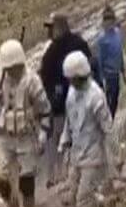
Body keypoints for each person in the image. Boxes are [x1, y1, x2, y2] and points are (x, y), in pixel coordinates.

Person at [0, 40, 51, 207]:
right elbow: (1, 107)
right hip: (5, 137)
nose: (10, 71)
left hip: (26, 137)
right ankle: (11, 202)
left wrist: (43, 133)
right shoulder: (2, 81)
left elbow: (45, 110)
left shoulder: (32, 81)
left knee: (27, 181)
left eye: (13, 67)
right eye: (7, 68)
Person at [39, 14, 94, 187]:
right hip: (76, 100)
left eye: (51, 28)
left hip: (58, 105)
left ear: (59, 27)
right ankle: (65, 174)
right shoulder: (79, 43)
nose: (48, 32)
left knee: (57, 139)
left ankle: (57, 176)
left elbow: (44, 75)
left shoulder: (54, 50)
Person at [58, 51, 112, 207]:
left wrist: (114, 160)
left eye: (72, 79)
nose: (70, 82)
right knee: (71, 196)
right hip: (77, 154)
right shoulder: (72, 93)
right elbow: (70, 120)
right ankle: (103, 203)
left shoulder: (96, 97)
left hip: (93, 156)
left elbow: (108, 129)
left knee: (83, 200)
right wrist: (64, 142)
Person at [95, 6, 126, 118]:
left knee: (116, 98)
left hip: (117, 72)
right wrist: (102, 77)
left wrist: (123, 70)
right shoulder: (102, 40)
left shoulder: (118, 34)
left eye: (110, 19)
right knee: (110, 100)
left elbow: (120, 52)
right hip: (108, 74)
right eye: (106, 19)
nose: (108, 22)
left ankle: (110, 120)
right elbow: (100, 59)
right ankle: (108, 122)